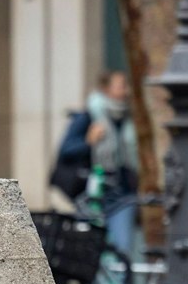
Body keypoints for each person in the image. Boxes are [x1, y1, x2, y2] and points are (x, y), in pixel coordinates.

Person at [51, 70, 139, 255]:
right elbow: (66, 150)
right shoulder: (88, 116)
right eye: (121, 86)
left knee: (122, 250)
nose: (126, 91)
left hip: (121, 194)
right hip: (92, 194)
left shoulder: (128, 119)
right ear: (106, 89)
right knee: (88, 251)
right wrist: (89, 141)